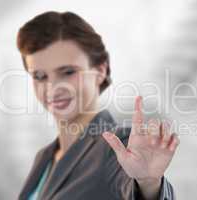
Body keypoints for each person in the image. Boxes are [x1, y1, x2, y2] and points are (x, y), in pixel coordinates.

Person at [17, 11, 179, 200]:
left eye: (68, 72)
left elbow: (132, 183)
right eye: (39, 76)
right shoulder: (44, 157)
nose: (53, 88)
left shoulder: (118, 144)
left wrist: (148, 183)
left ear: (100, 71)